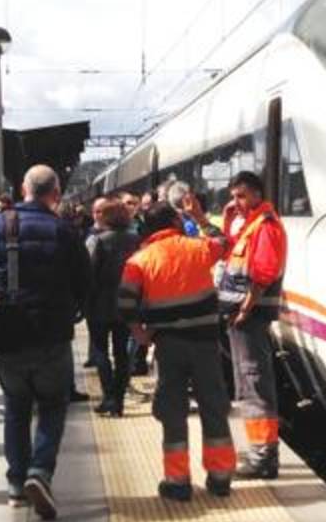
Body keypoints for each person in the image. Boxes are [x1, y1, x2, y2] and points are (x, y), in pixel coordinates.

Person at [0, 164, 90, 519]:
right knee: (53, 405)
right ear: (56, 191)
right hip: (52, 335)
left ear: (23, 189)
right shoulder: (65, 231)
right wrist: (72, 308)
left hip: (7, 334)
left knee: (16, 408)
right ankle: (40, 471)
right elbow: (85, 281)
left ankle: (17, 485)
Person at [119, 201, 235, 501]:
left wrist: (139, 333)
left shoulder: (138, 260)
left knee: (172, 412)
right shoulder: (199, 247)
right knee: (213, 406)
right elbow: (225, 243)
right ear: (174, 221)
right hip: (206, 344)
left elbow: (125, 304)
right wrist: (199, 217)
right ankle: (221, 477)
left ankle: (178, 481)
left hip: (168, 347)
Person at [218, 171, 288, 479]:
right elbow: (231, 252)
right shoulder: (251, 226)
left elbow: (263, 272)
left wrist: (246, 307)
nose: (237, 202)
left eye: (242, 196)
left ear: (258, 194)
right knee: (248, 382)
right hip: (242, 317)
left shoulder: (266, 226)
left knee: (254, 381)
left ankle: (263, 458)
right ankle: (259, 451)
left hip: (251, 316)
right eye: (233, 196)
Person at [85, 196, 140, 417]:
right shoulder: (136, 240)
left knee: (100, 350)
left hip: (99, 305)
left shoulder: (98, 241)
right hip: (127, 304)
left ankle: (108, 396)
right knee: (122, 353)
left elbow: (89, 274)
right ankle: (118, 401)